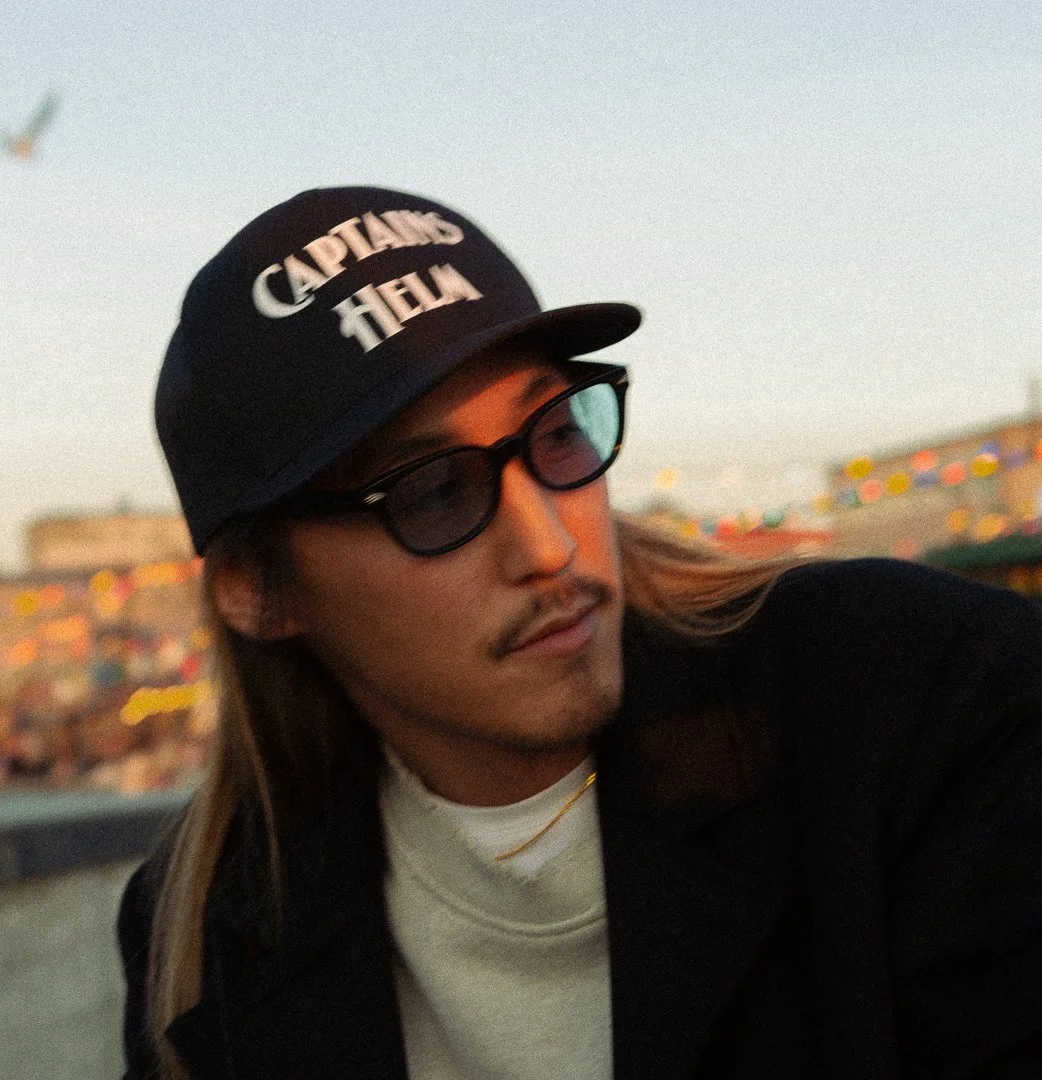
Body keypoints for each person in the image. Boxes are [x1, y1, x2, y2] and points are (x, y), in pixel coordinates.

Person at [119, 186, 1042, 1080]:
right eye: (434, 492)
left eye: (556, 434)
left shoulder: (914, 702)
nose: (551, 544)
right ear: (257, 589)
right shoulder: (202, 930)